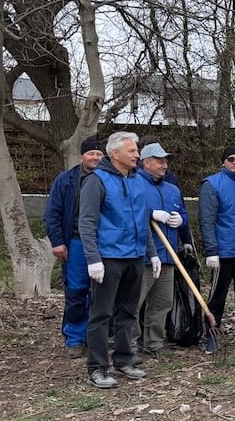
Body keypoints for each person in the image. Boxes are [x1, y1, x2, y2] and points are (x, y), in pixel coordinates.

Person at [78, 131, 158, 389]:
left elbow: (143, 221)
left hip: (134, 256)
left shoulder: (136, 181)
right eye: (132, 151)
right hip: (109, 257)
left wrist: (152, 252)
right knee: (101, 314)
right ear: (115, 154)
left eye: (136, 150)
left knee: (128, 312)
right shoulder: (96, 181)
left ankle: (124, 359)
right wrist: (93, 258)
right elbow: (87, 222)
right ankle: (97, 367)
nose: (137, 155)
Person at [44, 136, 104, 357]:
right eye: (91, 154)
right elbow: (53, 213)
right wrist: (58, 241)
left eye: (99, 154)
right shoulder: (66, 180)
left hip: (103, 244)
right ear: (82, 157)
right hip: (76, 242)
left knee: (101, 292)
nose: (96, 158)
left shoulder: (107, 179)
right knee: (77, 290)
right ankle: (75, 337)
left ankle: (97, 336)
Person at [135, 142, 191, 357]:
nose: (164, 165)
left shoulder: (172, 189)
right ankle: (129, 344)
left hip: (168, 255)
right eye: (159, 161)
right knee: (135, 302)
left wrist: (182, 223)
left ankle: (154, 342)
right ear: (146, 163)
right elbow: (129, 208)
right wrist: (151, 213)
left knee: (162, 303)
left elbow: (183, 214)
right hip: (145, 255)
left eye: (165, 161)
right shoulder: (135, 184)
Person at [200, 146, 235, 347]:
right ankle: (212, 335)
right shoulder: (212, 184)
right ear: (223, 161)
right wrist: (211, 250)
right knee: (218, 295)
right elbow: (207, 219)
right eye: (230, 159)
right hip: (222, 251)